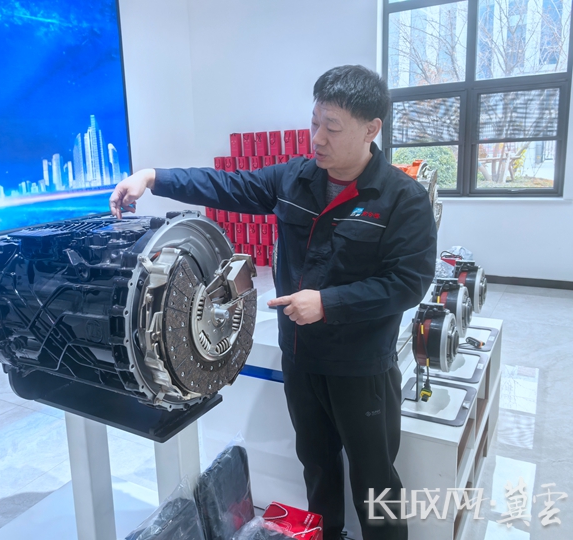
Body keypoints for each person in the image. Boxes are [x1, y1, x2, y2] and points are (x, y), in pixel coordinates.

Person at [110, 66, 437, 540]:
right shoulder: (295, 179)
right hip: (302, 359)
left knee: (376, 480)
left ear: (371, 129)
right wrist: (153, 177)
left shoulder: (402, 199)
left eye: (332, 127)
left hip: (362, 367)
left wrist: (328, 302)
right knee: (317, 468)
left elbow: (408, 283)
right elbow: (224, 185)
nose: (317, 138)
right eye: (314, 122)